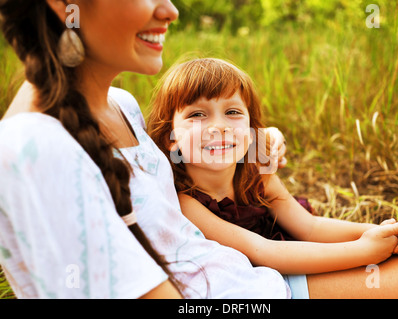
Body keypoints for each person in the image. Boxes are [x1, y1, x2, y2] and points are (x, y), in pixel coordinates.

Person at [0, 0, 293, 299]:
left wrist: (257, 139)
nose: (170, 10)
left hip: (249, 281)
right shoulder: (33, 150)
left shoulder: (121, 104)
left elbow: (175, 162)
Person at [148, 58, 398, 298]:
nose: (218, 126)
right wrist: (362, 251)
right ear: (171, 137)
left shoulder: (257, 174)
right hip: (274, 279)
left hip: (303, 255)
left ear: (252, 129)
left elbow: (310, 227)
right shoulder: (186, 204)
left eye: (232, 112)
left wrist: (381, 231)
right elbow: (262, 252)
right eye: (197, 115)